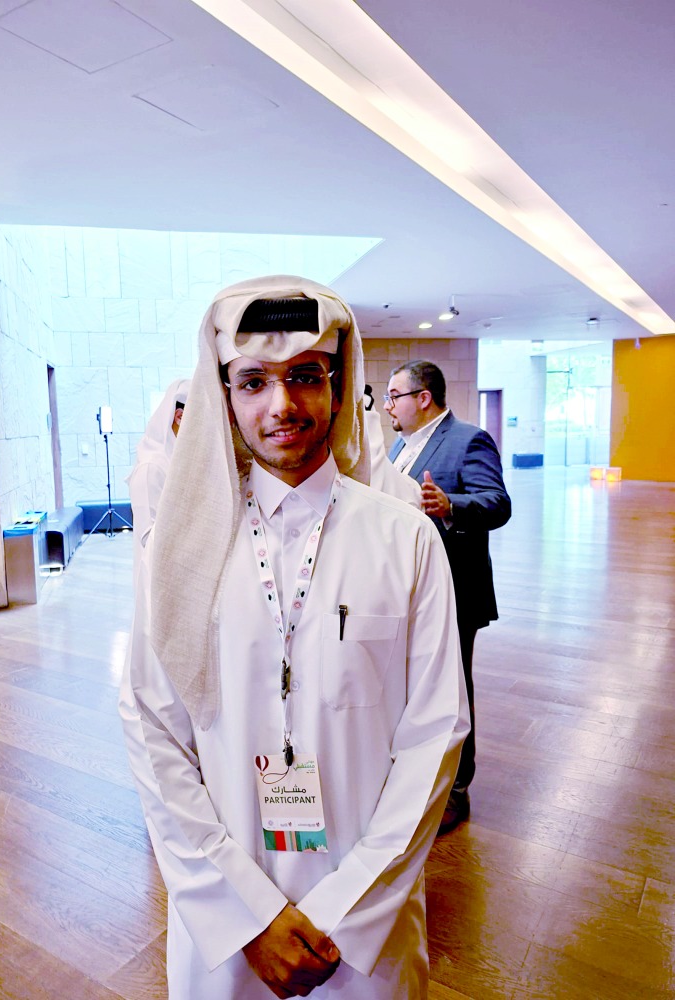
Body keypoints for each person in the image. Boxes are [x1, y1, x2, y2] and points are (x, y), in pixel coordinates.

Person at [119, 276, 468, 999]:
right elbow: (154, 730)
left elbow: (434, 735)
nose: (281, 405)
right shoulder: (178, 548)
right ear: (224, 398)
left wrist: (343, 908)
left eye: (305, 376)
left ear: (337, 389)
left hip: (364, 932)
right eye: (254, 382)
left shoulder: (405, 538)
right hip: (225, 935)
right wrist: (244, 917)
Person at [385, 360, 511, 834]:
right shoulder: (400, 446)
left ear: (423, 398)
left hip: (454, 588)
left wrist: (450, 505)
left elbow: (497, 503)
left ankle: (457, 790)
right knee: (415, 689)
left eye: (395, 396)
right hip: (407, 591)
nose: (388, 407)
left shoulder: (468, 439)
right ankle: (418, 780)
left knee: (454, 691)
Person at [126, 377, 190, 583]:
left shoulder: (177, 458)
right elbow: (150, 538)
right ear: (179, 416)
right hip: (159, 581)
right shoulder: (151, 467)